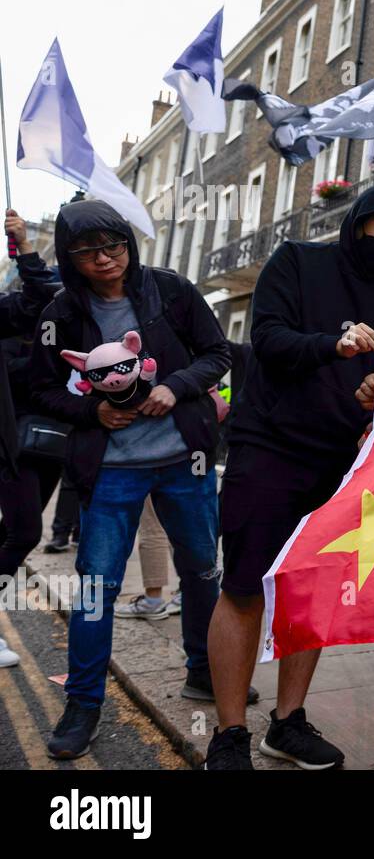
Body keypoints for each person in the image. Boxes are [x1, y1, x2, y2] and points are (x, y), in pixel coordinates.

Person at [204, 183, 374, 771]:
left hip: (339, 461)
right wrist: (336, 344)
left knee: (313, 593)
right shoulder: (297, 262)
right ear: (357, 223)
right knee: (246, 587)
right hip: (269, 449)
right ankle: (227, 734)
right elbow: (269, 342)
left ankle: (287, 723)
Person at [29, 200, 234, 760]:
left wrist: (178, 385)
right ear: (70, 258)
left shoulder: (171, 292)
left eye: (114, 246)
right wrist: (91, 413)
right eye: (89, 251)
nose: (105, 259)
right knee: (97, 588)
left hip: (182, 462)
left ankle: (204, 672)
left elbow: (218, 353)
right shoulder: (59, 315)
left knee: (200, 570)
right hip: (111, 470)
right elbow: (40, 390)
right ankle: (84, 701)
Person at [0, 209, 61, 585]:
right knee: (24, 533)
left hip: (48, 440)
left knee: (13, 532)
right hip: (10, 440)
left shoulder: (36, 318)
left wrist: (24, 246)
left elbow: (39, 295)